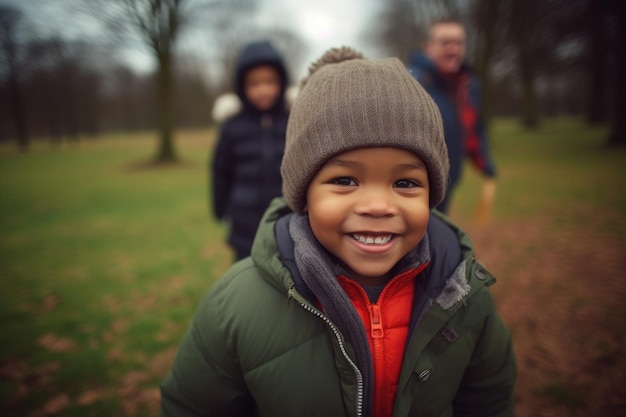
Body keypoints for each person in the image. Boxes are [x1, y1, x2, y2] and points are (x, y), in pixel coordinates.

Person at [162, 47, 516, 417]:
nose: (378, 205)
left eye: (406, 182)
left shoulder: (464, 296)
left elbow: (489, 398)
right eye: (346, 180)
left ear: (433, 193)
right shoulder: (234, 307)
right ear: (304, 195)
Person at [408, 19, 497, 217]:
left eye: (458, 42)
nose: (453, 49)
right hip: (416, 187)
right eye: (445, 42)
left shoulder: (467, 85)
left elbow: (473, 127)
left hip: (450, 180)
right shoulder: (412, 81)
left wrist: (484, 162)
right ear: (428, 48)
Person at [211, 40, 290, 261]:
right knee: (246, 278)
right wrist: (220, 208)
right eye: (254, 83)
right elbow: (220, 170)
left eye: (269, 81)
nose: (262, 89)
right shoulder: (232, 126)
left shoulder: (293, 121)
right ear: (242, 87)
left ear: (282, 82)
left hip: (286, 220)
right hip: (244, 223)